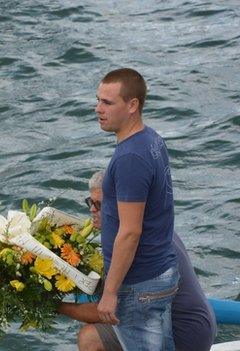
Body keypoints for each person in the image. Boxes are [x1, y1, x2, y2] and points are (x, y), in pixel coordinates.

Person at [58, 171, 216, 351]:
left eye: (99, 205)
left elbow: (106, 312)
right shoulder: (152, 224)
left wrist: (56, 306)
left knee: (90, 338)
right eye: (90, 202)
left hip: (184, 334)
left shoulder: (132, 244)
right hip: (201, 323)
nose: (92, 210)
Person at [96, 68, 178, 350]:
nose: (98, 109)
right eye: (98, 100)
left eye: (108, 103)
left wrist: (109, 292)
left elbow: (131, 231)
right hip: (160, 271)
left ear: (133, 105)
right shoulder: (151, 139)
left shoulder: (130, 156)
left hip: (139, 285)